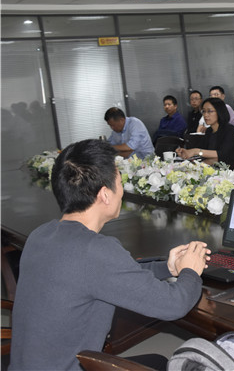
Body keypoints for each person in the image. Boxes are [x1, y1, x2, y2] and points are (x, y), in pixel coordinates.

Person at [10, 139, 210, 371]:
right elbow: (174, 305)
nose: (122, 190)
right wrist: (190, 271)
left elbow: (105, 274)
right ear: (105, 194)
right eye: (120, 182)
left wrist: (168, 267)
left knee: (156, 361)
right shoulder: (96, 250)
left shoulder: (41, 234)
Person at [177, 97, 234, 169]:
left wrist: (195, 151)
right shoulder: (209, 131)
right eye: (204, 111)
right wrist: (187, 153)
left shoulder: (229, 129)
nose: (205, 115)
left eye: (209, 111)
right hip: (212, 169)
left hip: (229, 170)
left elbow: (222, 154)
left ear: (219, 112)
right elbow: (202, 151)